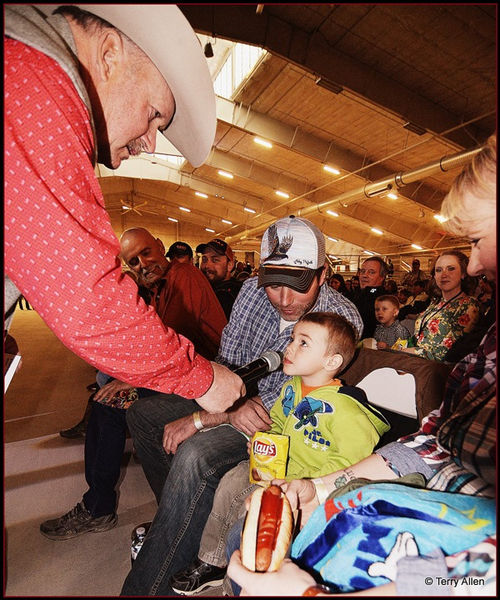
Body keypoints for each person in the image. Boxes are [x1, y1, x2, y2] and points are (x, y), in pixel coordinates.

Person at [227, 133, 497, 596]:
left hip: (453, 556)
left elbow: (475, 576)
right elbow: (432, 441)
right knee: (256, 532)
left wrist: (313, 595)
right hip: (440, 505)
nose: (472, 266)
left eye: (476, 240)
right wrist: (322, 484)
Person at [4, 4, 243, 413]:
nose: (150, 144)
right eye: (154, 115)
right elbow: (86, 300)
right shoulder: (38, 85)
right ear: (110, 54)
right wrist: (199, 377)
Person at [120, 215, 363, 595]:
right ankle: (181, 522)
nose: (284, 300)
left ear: (323, 274)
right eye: (273, 285)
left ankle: (151, 579)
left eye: (297, 286)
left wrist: (201, 420)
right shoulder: (251, 291)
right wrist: (221, 406)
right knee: (143, 416)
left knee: (196, 455)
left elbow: (286, 401)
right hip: (235, 400)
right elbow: (229, 359)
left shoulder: (341, 321)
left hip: (275, 423)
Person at [170, 312, 389, 595]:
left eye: (303, 343)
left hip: (309, 488)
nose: (290, 347)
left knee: (248, 519)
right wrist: (262, 442)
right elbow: (276, 424)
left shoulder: (346, 410)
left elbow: (353, 464)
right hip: (277, 470)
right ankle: (212, 560)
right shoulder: (291, 388)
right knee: (230, 481)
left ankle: (235, 585)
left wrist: (312, 482)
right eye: (292, 338)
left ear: (331, 361)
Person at [40, 227, 227, 540]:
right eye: (134, 261)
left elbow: (170, 347)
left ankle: (98, 507)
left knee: (110, 405)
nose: (143, 264)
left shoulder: (185, 277)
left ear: (160, 246)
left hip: (204, 382)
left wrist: (130, 379)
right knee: (104, 398)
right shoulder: (158, 287)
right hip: (182, 376)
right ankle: (97, 504)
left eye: (147, 253)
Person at [403, 251, 480, 362]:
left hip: (437, 372)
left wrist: (413, 351)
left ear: (463, 273)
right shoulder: (435, 302)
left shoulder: (469, 305)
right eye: (439, 270)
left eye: (451, 269)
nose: (444, 275)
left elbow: (453, 353)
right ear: (434, 276)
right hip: (416, 364)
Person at [196, 238, 243, 319]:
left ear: (229, 265)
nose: (207, 265)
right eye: (204, 260)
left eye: (215, 260)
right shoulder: (205, 289)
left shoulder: (232, 296)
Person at [353, 257, 388, 338]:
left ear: (382, 277)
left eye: (371, 272)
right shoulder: (356, 294)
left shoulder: (384, 301)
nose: (365, 275)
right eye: (362, 271)